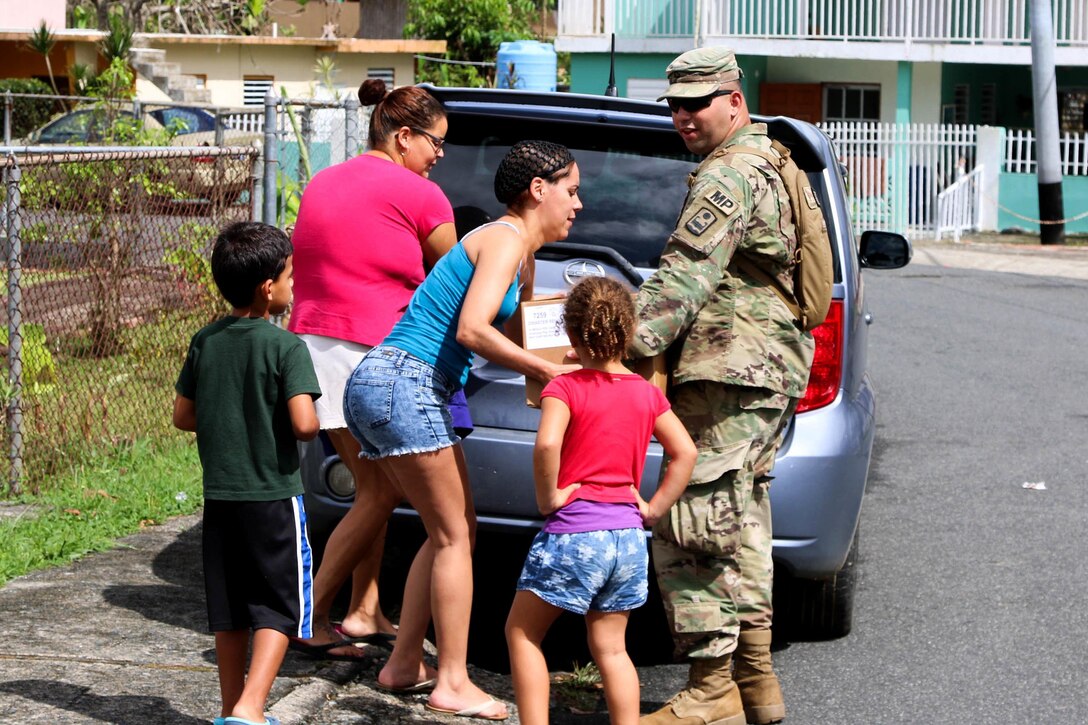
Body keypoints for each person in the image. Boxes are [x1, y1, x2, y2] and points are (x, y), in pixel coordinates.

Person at [343, 140, 583, 720]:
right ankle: (451, 680)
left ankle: (404, 663)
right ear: (538, 190)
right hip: (405, 378)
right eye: (571, 191)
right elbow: (475, 331)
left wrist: (586, 365)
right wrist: (549, 370)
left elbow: (528, 337)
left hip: (399, 383)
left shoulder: (523, 257)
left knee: (452, 531)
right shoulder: (502, 239)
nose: (578, 204)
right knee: (455, 536)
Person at [629, 48, 815, 725]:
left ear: (734, 100)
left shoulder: (728, 176)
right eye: (675, 104)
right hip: (763, 368)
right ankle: (754, 682)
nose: (683, 115)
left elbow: (683, 277)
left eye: (697, 102)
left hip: (731, 365)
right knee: (741, 519)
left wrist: (614, 345)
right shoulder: (771, 160)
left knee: (694, 515)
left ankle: (711, 691)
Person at [286, 78, 460, 660]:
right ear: (403, 136)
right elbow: (456, 277)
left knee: (372, 487)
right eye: (435, 143)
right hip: (369, 352)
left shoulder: (323, 180)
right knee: (380, 491)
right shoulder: (419, 194)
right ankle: (309, 616)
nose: (439, 155)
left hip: (314, 350)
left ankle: (366, 609)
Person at [505, 276, 696, 725]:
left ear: (570, 336)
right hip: (627, 539)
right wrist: (652, 508)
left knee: (523, 633)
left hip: (575, 535)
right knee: (612, 647)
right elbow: (685, 452)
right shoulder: (648, 393)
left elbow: (548, 445)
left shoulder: (564, 388)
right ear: (628, 334)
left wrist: (548, 496)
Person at [172, 221, 321, 725]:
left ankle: (229, 708)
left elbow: (183, 415)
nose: (293, 285)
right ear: (267, 288)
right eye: (291, 276)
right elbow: (304, 425)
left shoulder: (205, 341)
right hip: (274, 496)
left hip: (221, 497)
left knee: (231, 608)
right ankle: (252, 708)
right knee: (280, 605)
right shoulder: (286, 347)